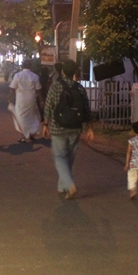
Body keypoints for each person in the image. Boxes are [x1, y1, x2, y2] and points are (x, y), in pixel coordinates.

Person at [42, 59, 94, 199]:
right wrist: (89, 128)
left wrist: (45, 125)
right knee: (69, 158)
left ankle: (70, 185)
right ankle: (62, 186)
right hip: (75, 128)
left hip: (58, 127)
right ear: (75, 72)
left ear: (63, 72)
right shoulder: (80, 88)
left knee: (60, 157)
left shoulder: (55, 86)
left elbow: (48, 107)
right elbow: (87, 110)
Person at [9, 60, 42, 142]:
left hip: (21, 99)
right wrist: (41, 100)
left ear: (22, 66)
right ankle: (31, 134)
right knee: (31, 117)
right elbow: (38, 90)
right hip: (31, 99)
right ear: (31, 66)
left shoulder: (17, 76)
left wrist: (9, 97)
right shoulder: (35, 76)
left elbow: (12, 88)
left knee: (20, 117)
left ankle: (23, 136)